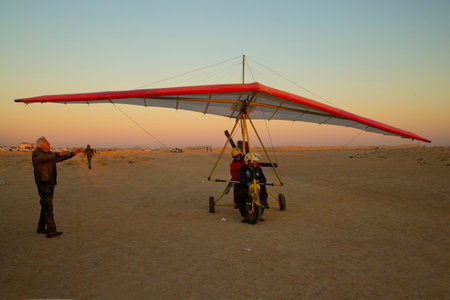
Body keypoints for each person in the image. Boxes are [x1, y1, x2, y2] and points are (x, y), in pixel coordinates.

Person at [32, 136, 81, 238]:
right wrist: (58, 153)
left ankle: (40, 227)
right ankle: (51, 230)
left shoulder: (49, 154)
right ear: (42, 144)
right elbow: (44, 158)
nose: (49, 144)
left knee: (45, 205)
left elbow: (59, 158)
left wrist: (72, 154)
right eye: (47, 142)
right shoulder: (37, 153)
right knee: (48, 206)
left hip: (50, 182)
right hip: (43, 182)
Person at [237, 153, 269, 223]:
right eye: (253, 161)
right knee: (240, 195)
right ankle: (244, 215)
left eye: (255, 161)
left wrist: (259, 181)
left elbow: (264, 179)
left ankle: (259, 214)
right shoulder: (243, 169)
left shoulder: (258, 169)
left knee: (264, 195)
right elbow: (241, 178)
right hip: (247, 189)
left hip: (257, 189)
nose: (255, 162)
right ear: (248, 161)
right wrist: (248, 183)